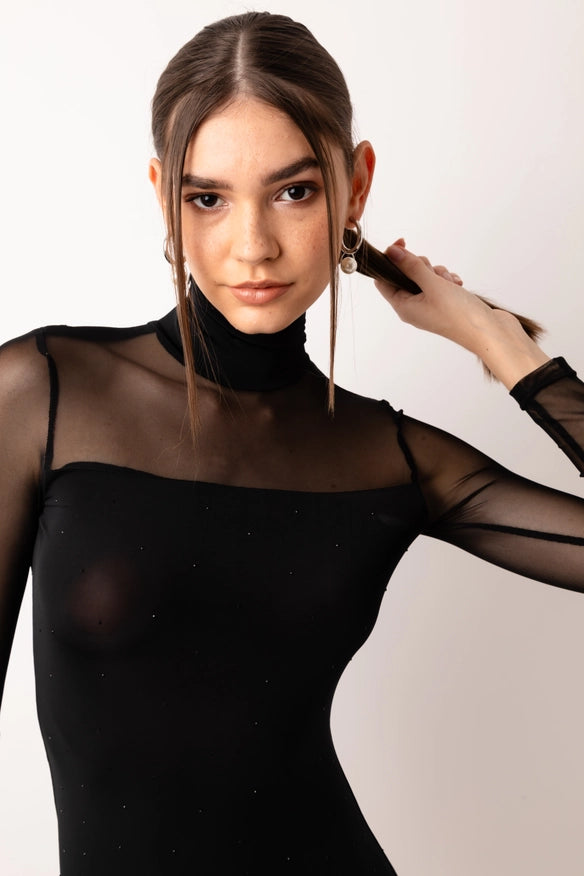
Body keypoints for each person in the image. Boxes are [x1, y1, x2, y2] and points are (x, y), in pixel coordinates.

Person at [0, 10, 582, 875]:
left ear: (356, 186)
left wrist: (501, 346)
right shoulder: (44, 392)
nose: (254, 246)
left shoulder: (393, 457)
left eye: (294, 191)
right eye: (207, 198)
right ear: (163, 196)